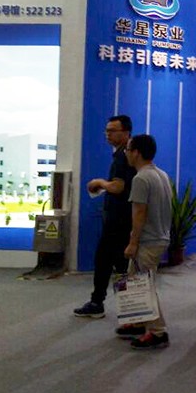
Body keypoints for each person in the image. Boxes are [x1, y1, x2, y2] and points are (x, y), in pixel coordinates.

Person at [74, 115, 136, 319]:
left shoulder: (122, 156)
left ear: (126, 133)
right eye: (106, 130)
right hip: (122, 219)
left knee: (106, 261)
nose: (108, 134)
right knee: (116, 264)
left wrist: (99, 183)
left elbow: (118, 187)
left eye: (112, 130)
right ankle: (126, 308)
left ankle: (101, 303)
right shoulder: (125, 154)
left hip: (118, 221)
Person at [119, 134, 173, 350]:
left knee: (144, 285)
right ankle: (139, 322)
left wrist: (133, 242)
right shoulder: (161, 174)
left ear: (136, 153)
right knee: (134, 280)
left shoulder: (140, 179)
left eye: (128, 149)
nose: (126, 153)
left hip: (148, 240)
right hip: (161, 236)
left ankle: (158, 332)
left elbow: (139, 212)